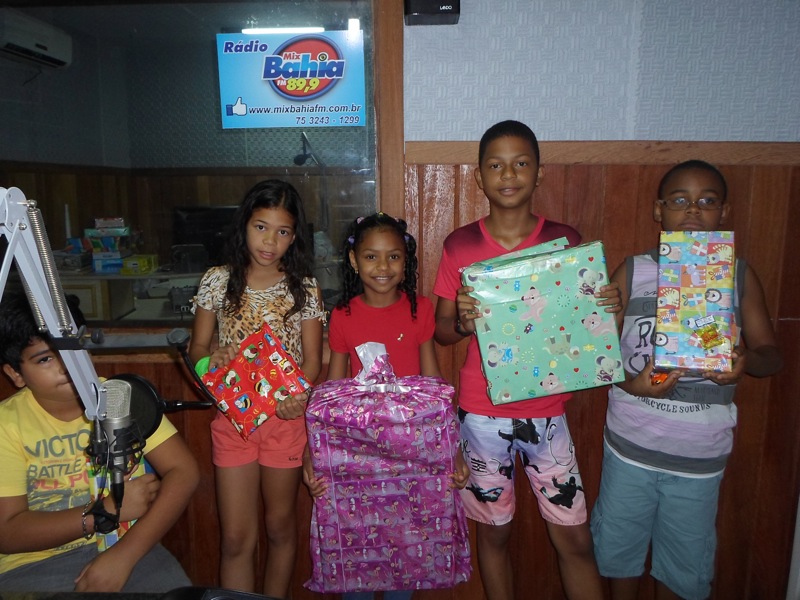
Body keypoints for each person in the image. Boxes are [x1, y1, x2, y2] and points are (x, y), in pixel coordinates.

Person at [433, 120, 616, 600]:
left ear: (539, 172)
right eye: (495, 165)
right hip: (481, 412)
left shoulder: (564, 239)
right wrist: (464, 322)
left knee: (574, 537)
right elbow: (441, 331)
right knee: (494, 534)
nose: (508, 174)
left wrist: (606, 304)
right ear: (479, 176)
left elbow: (583, 319)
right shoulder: (460, 245)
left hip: (547, 410)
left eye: (520, 163)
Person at [590, 159, 783, 600]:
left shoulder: (736, 276)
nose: (693, 210)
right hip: (630, 449)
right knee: (619, 559)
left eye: (707, 201)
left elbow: (772, 356)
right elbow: (597, 356)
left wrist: (746, 361)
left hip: (699, 460)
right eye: (679, 200)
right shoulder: (634, 271)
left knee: (682, 572)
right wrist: (631, 384)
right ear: (659, 210)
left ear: (724, 212)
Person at [303, 212, 470, 600]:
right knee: (356, 561)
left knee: (407, 559)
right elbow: (332, 395)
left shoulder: (420, 309)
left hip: (413, 454)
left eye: (393, 256)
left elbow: (434, 389)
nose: (383, 266)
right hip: (358, 455)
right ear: (353, 260)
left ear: (405, 260)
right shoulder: (342, 315)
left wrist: (455, 451)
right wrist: (311, 454)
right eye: (371, 256)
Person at [0, 292, 199, 592]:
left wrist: (125, 555)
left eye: (72, 349)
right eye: (45, 359)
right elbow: (8, 532)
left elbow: (184, 471)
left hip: (129, 548)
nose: (65, 366)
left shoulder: (121, 395)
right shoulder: (7, 425)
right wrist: (105, 512)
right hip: (34, 564)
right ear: (16, 374)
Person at [188, 179, 325, 598]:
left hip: (285, 421)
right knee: (235, 538)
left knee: (280, 527)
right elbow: (197, 349)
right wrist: (212, 362)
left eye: (282, 231)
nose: (270, 241)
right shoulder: (217, 280)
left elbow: (312, 361)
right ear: (244, 224)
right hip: (233, 420)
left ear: (294, 237)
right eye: (261, 227)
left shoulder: (304, 286)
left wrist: (298, 396)